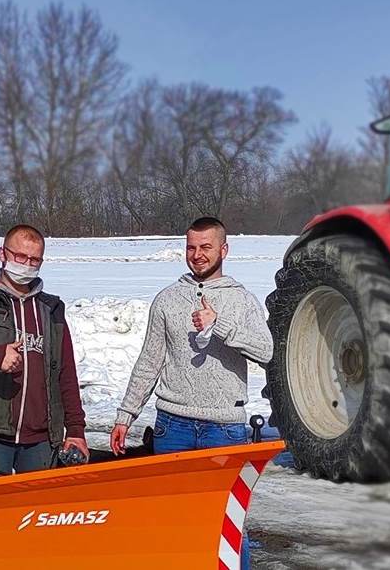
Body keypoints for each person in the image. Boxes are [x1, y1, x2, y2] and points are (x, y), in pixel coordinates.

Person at [110, 216, 273, 570]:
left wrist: (221, 327)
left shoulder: (241, 300)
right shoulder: (168, 299)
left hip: (224, 428)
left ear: (223, 250)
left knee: (226, 524)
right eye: (191, 247)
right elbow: (149, 362)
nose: (197, 255)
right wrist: (126, 415)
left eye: (206, 247)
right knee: (170, 520)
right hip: (174, 425)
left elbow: (266, 351)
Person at [0, 224, 87, 479]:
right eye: (20, 257)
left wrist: (75, 430)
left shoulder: (51, 308)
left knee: (36, 511)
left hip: (40, 438)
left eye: (35, 260)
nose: (27, 265)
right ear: (3, 254)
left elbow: (65, 372)